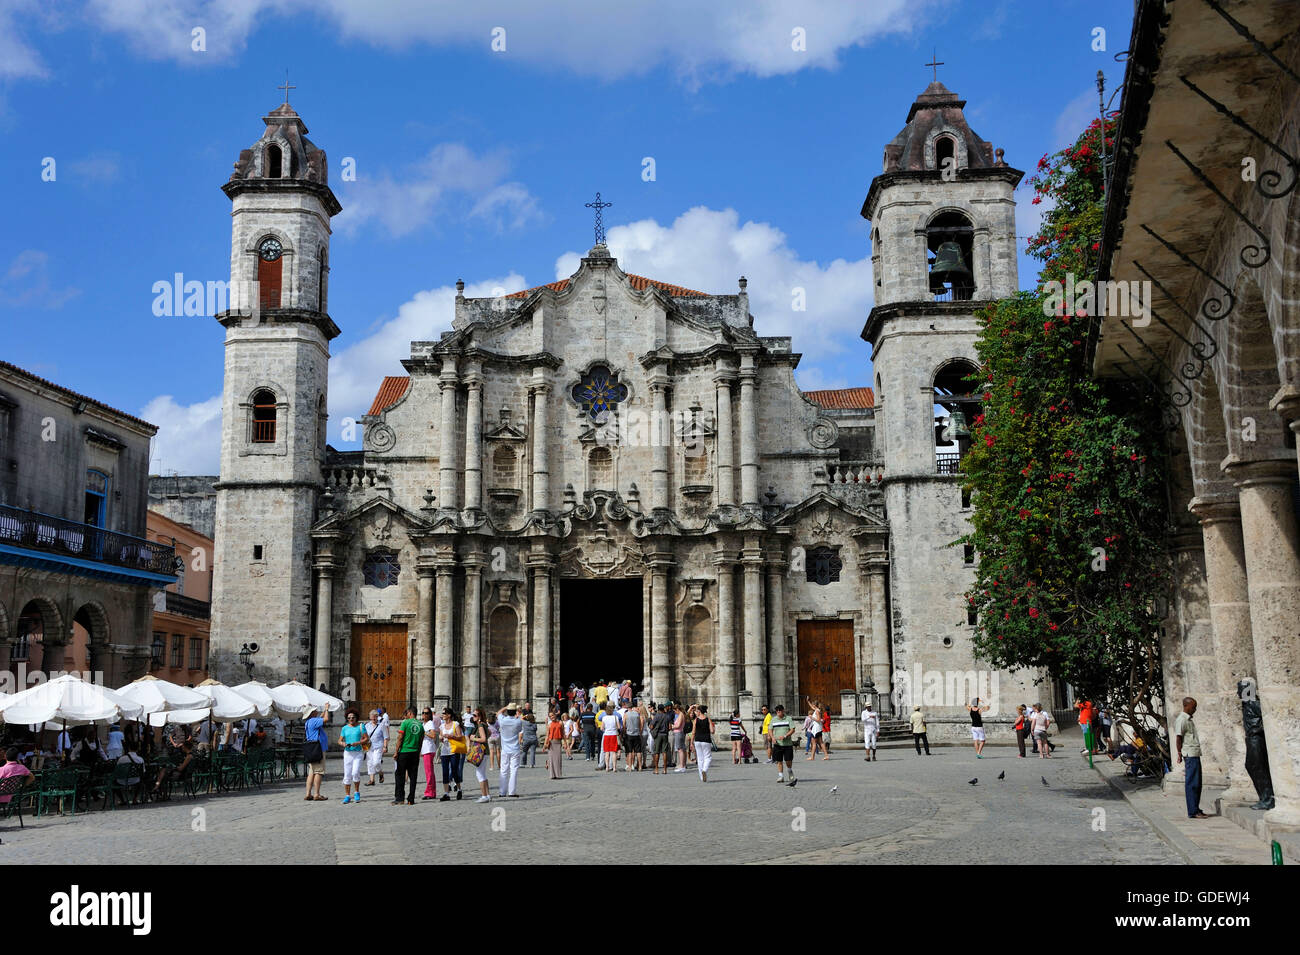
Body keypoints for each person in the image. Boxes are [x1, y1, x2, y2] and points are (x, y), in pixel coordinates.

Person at [1174, 696, 1209, 819]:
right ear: (1186, 706)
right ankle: (1193, 811)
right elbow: (1178, 737)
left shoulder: (1189, 719)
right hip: (1189, 754)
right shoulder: (1182, 720)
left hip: (1195, 753)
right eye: (1193, 707)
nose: (1195, 709)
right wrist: (1179, 753)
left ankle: (1196, 808)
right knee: (1192, 783)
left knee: (1197, 783)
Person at [392, 707, 423, 805]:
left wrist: (396, 751)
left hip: (405, 751)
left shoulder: (405, 723)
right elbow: (421, 741)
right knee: (413, 776)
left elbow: (400, 738)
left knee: (400, 775)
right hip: (415, 752)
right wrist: (418, 752)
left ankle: (400, 798)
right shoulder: (420, 725)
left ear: (409, 713)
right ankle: (411, 799)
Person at [338, 708, 367, 803]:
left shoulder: (361, 726)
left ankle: (356, 792)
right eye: (349, 717)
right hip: (348, 753)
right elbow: (339, 740)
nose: (351, 719)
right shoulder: (344, 728)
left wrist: (358, 742)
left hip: (358, 753)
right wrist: (343, 744)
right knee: (347, 774)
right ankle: (347, 795)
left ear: (356, 718)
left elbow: (366, 739)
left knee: (355, 772)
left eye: (353, 717)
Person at [497, 702, 524, 797]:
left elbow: (498, 713)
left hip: (505, 749)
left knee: (503, 770)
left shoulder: (503, 720)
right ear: (515, 711)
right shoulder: (518, 721)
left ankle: (502, 792)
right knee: (514, 770)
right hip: (515, 748)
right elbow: (520, 728)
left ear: (507, 711)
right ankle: (512, 792)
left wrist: (505, 707)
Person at [303, 706, 330, 801]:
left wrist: (323, 712)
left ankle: (308, 793)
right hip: (318, 749)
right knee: (319, 771)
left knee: (312, 772)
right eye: (314, 710)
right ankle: (316, 794)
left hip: (311, 749)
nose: (316, 711)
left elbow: (321, 718)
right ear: (312, 713)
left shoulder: (308, 722)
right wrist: (327, 709)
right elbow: (326, 719)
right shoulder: (314, 721)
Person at [438, 708, 465, 801]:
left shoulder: (455, 724)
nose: (443, 715)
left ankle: (459, 789)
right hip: (444, 751)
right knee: (445, 772)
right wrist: (441, 738)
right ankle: (446, 793)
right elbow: (441, 736)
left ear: (449, 715)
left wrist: (452, 736)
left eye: (444, 713)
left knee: (454, 771)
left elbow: (460, 736)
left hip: (454, 750)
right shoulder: (442, 726)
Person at [769, 704, 797, 785]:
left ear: (783, 711)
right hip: (777, 744)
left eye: (780, 711)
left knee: (788, 760)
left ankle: (789, 770)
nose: (778, 712)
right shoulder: (773, 720)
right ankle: (780, 776)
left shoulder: (788, 719)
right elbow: (770, 729)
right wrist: (772, 737)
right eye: (777, 711)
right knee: (779, 760)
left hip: (787, 743)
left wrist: (786, 735)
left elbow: (793, 729)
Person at [470, 707, 492, 803]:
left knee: (479, 774)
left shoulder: (480, 726)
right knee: (482, 773)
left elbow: (483, 739)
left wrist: (473, 738)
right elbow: (489, 733)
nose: (473, 717)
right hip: (485, 751)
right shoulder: (484, 724)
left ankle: (484, 796)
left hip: (481, 752)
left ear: (479, 717)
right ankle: (487, 795)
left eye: (475, 715)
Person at [689, 704, 714, 782]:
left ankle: (701, 777)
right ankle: (704, 770)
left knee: (700, 759)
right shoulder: (708, 719)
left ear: (699, 711)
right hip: (706, 740)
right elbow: (712, 731)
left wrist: (691, 742)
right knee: (708, 757)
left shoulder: (696, 720)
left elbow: (693, 732)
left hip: (697, 740)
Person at [420, 707, 440, 801]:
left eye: (427, 713)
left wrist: (424, 733)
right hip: (425, 749)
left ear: (430, 715)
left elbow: (433, 735)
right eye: (423, 713)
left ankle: (430, 792)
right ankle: (432, 791)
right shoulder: (423, 724)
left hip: (429, 749)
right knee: (429, 772)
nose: (424, 714)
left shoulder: (430, 723)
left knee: (429, 772)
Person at [364, 709, 388, 785]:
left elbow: (386, 737)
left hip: (378, 746)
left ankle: (380, 772)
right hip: (369, 747)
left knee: (376, 762)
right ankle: (372, 780)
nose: (374, 719)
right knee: (370, 763)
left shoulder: (381, 725)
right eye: (372, 717)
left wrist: (385, 746)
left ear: (377, 717)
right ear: (370, 717)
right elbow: (364, 736)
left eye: (375, 717)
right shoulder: (367, 725)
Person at [649, 704, 673, 774]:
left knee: (657, 752)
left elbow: (651, 726)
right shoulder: (667, 716)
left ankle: (656, 769)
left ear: (658, 709)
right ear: (663, 709)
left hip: (658, 735)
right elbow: (670, 727)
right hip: (665, 734)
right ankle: (665, 769)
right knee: (664, 752)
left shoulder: (656, 716)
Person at [598, 703, 621, 773]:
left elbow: (602, 728)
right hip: (613, 735)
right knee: (613, 752)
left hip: (606, 735)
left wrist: (605, 729)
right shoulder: (615, 717)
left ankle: (607, 767)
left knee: (607, 752)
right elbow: (619, 727)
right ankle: (614, 767)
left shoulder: (604, 718)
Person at [622, 700, 643, 772]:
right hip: (636, 733)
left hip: (629, 734)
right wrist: (640, 731)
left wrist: (624, 732)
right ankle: (640, 766)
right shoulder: (637, 714)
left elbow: (624, 725)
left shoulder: (626, 714)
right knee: (638, 751)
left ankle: (630, 766)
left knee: (630, 751)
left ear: (627, 707)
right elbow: (640, 724)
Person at [545, 710, 565, 779]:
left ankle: (558, 774)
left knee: (558, 759)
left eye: (552, 715)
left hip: (558, 742)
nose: (551, 717)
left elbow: (563, 734)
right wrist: (545, 744)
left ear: (555, 715)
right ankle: (552, 775)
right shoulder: (549, 725)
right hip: (551, 743)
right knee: (551, 759)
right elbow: (547, 735)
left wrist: (565, 743)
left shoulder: (560, 723)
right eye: (550, 716)